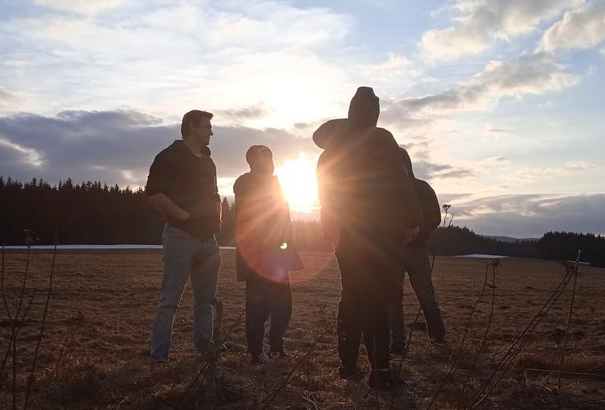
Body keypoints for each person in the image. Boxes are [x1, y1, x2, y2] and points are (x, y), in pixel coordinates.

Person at [314, 86, 420, 390]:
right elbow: (399, 182)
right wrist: (412, 219)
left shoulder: (330, 152)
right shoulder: (381, 139)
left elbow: (326, 194)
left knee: (351, 296)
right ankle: (382, 372)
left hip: (345, 236)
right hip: (378, 234)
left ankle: (347, 366)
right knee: (378, 300)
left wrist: (332, 228)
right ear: (373, 113)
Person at [145, 109, 222, 363]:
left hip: (209, 241)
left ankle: (205, 348)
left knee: (206, 301)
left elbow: (214, 194)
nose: (211, 131)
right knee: (170, 300)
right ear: (191, 126)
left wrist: (216, 219)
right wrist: (184, 216)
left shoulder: (208, 161)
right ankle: (159, 356)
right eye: (207, 126)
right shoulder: (168, 157)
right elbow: (154, 194)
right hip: (180, 237)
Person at [233, 145, 303, 364]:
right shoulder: (244, 184)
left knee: (283, 304)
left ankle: (276, 348)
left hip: (278, 255)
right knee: (258, 305)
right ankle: (256, 353)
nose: (269, 162)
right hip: (257, 255)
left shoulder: (275, 184)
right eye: (264, 158)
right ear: (252, 161)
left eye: (271, 157)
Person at [388, 148, 447, 353]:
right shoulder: (388, 191)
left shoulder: (422, 188)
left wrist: (418, 231)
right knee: (393, 299)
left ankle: (438, 337)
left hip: (416, 251)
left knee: (426, 296)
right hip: (392, 251)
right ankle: (397, 343)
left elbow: (436, 218)